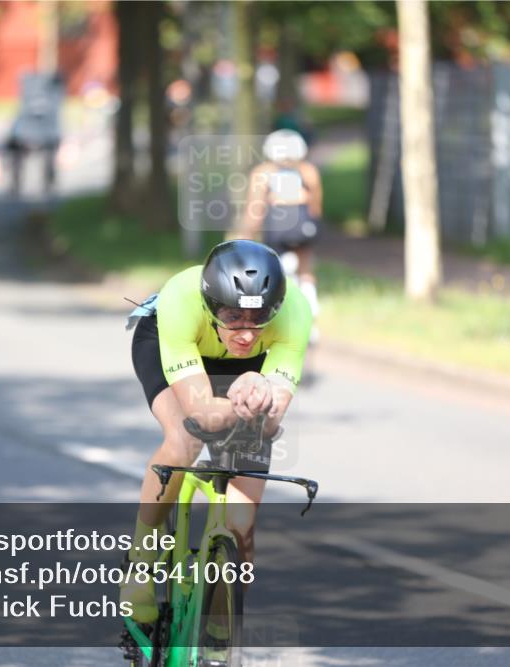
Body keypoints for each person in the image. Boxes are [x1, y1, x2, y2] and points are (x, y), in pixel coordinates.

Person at [122, 239, 312, 623]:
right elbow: (204, 416)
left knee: (241, 528)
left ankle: (217, 635)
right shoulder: (182, 300)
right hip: (173, 341)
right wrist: (243, 401)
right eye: (233, 317)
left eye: (258, 319)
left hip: (250, 368)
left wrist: (259, 397)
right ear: (211, 305)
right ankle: (140, 558)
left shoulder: (293, 313)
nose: (245, 332)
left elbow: (271, 422)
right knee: (185, 438)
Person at [232, 129, 323, 341]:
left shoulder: (264, 172)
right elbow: (316, 207)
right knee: (306, 270)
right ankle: (311, 320)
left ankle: (280, 321)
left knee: (273, 274)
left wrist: (243, 237)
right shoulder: (308, 171)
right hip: (305, 231)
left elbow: (255, 211)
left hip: (277, 233)